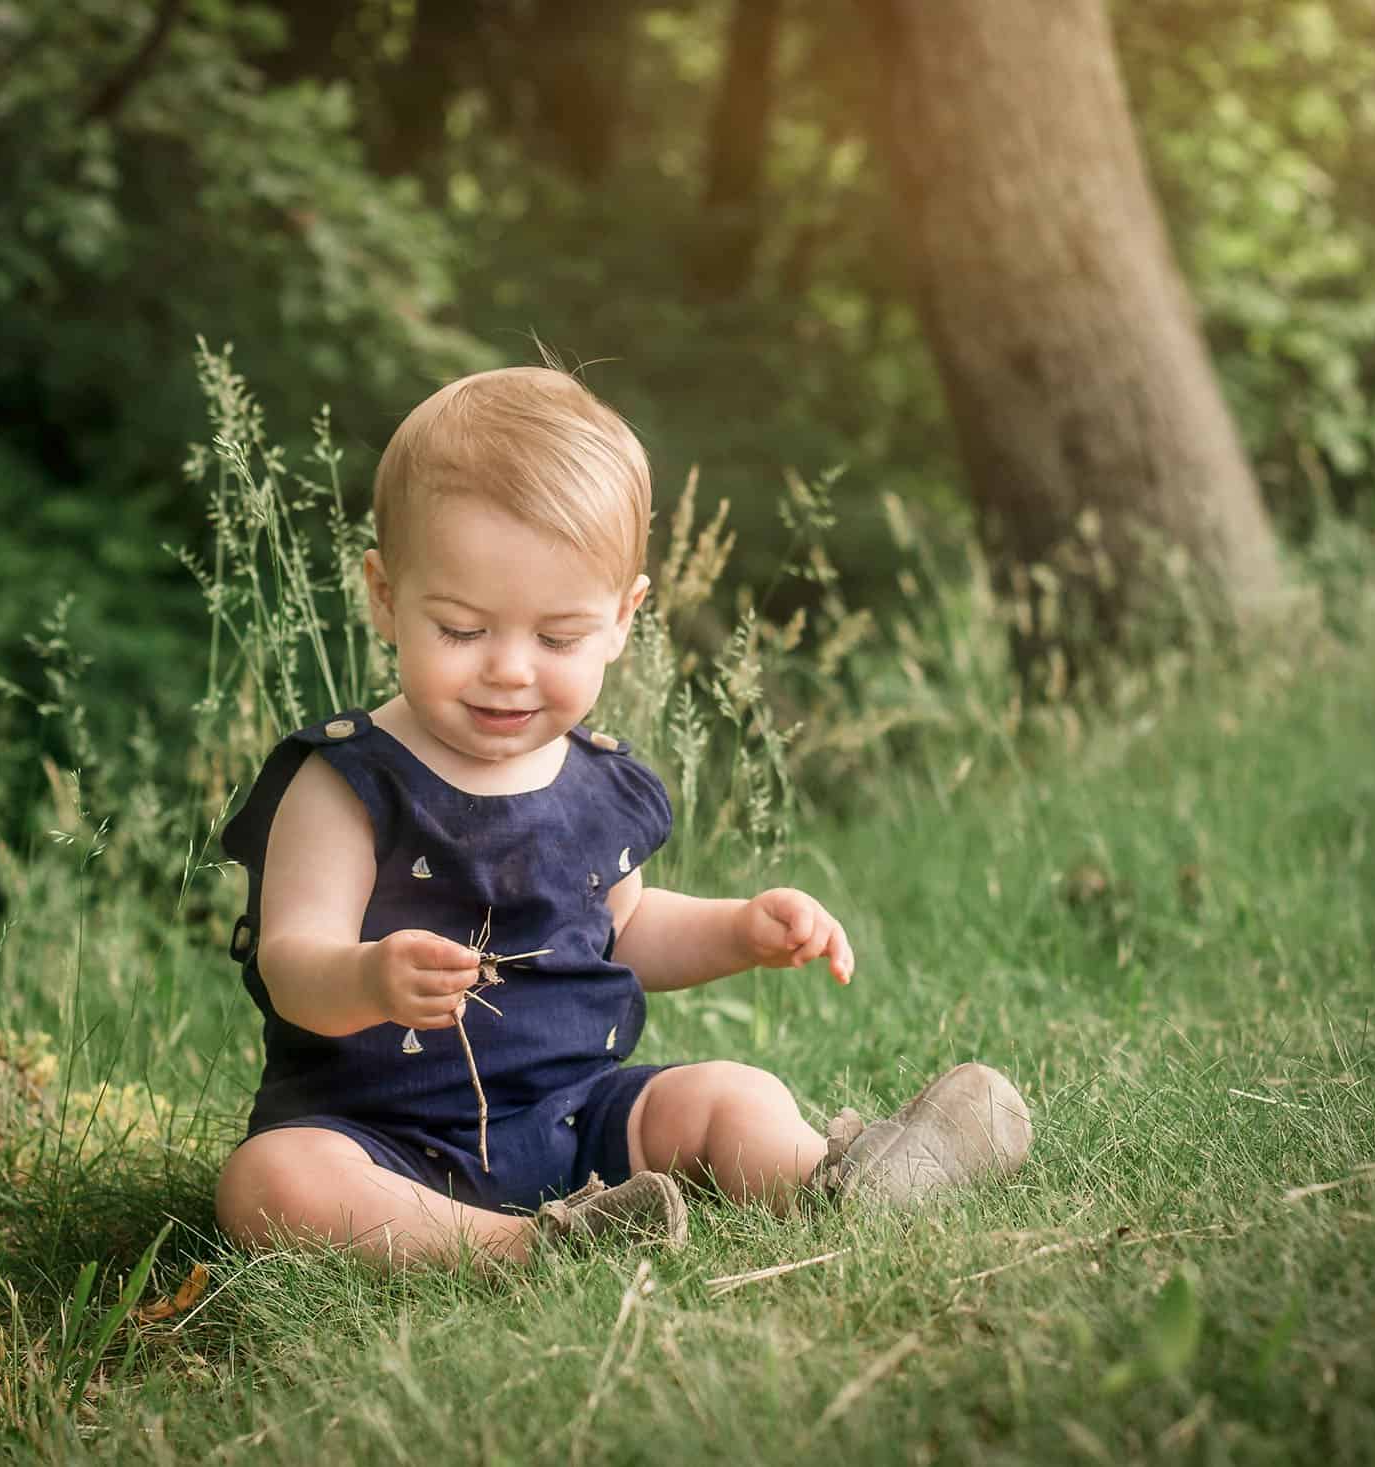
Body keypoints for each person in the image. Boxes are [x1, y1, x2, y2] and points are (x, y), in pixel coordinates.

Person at [215, 366, 1031, 1268]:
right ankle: (514, 1248)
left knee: (731, 1091)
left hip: (583, 1121)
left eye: (557, 638)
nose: (511, 668)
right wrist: (366, 978)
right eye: (461, 629)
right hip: (378, 1140)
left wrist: (739, 929)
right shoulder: (346, 782)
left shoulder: (597, 783)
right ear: (383, 595)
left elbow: (625, 926)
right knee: (271, 1181)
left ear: (621, 620)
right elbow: (292, 962)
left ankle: (843, 1184)